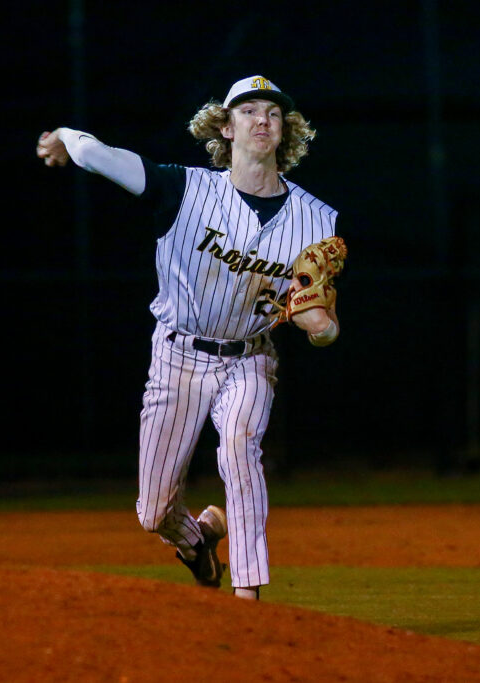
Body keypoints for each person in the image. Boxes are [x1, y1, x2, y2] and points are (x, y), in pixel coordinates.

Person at [36, 76, 340, 600]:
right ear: (225, 126)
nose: (262, 120)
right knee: (152, 511)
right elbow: (103, 155)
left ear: (284, 129)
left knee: (241, 450)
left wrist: (322, 329)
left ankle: (248, 597)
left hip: (250, 358)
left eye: (272, 112)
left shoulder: (316, 219)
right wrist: (65, 133)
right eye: (248, 111)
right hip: (178, 356)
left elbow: (321, 318)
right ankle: (196, 540)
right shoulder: (183, 189)